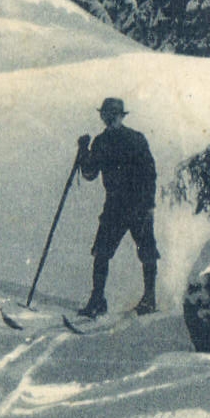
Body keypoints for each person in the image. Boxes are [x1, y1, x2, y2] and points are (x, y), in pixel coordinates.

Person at [75, 97, 158, 318]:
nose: (110, 118)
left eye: (114, 114)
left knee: (147, 251)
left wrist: (149, 204)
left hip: (138, 204)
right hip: (114, 205)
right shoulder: (100, 142)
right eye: (106, 114)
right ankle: (97, 300)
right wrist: (83, 151)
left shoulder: (136, 139)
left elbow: (150, 173)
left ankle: (150, 298)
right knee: (101, 252)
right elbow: (90, 174)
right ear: (102, 116)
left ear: (121, 116)